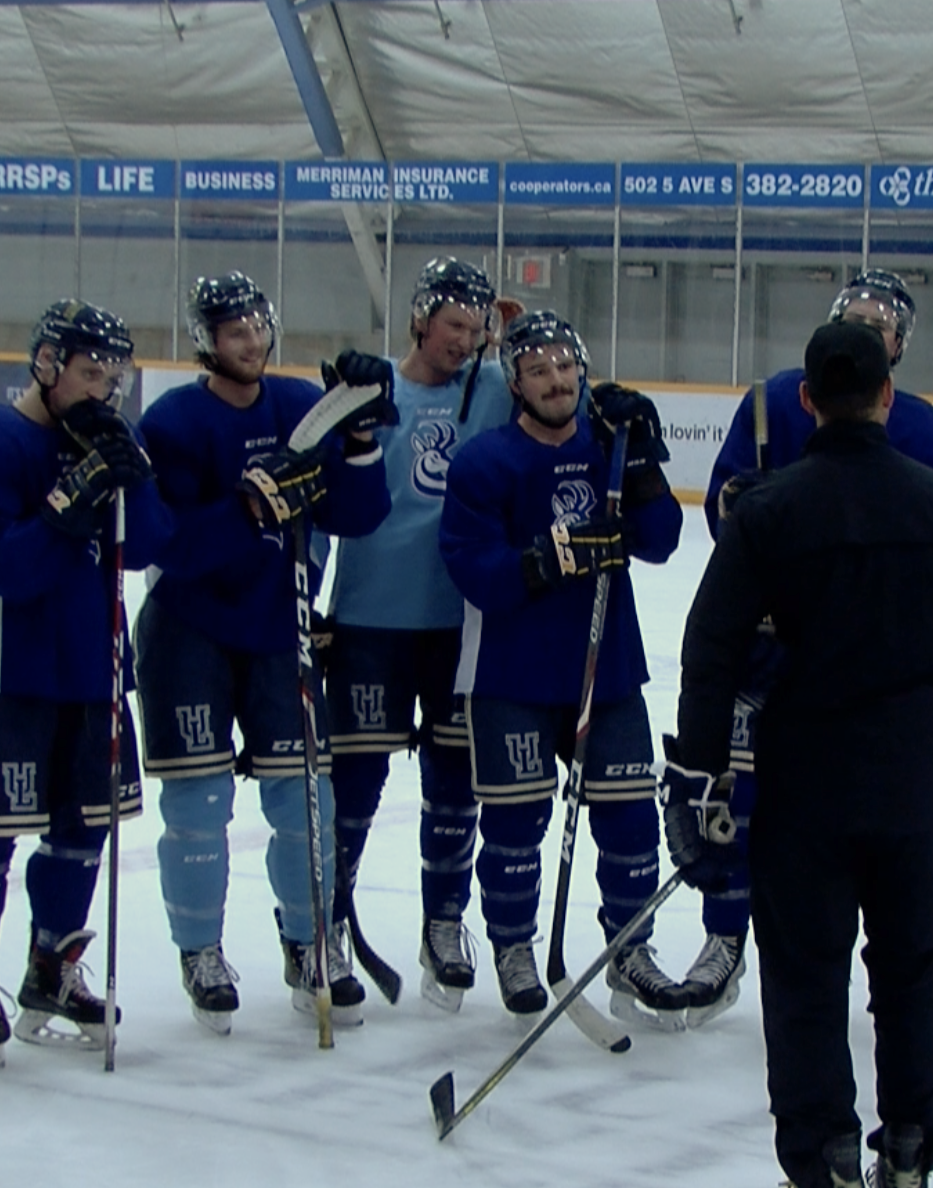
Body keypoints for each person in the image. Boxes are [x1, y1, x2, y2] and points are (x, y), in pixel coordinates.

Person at [668, 320, 933, 1188]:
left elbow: (708, 649)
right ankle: (908, 1156)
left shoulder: (771, 507)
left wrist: (698, 773)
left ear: (805, 401)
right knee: (912, 974)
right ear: (885, 394)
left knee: (805, 981)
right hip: (916, 781)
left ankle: (827, 1174)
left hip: (807, 779)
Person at [678, 269, 933, 1024]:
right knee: (738, 793)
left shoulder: (924, 429)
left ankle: (880, 960)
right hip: (766, 645)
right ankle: (724, 938)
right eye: (854, 316)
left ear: (901, 346)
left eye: (882, 322)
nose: (867, 329)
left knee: (852, 810)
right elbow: (728, 503)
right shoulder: (771, 400)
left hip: (862, 660)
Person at [136, 272, 392, 1033]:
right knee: (198, 806)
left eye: (257, 327)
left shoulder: (294, 406)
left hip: (282, 628)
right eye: (232, 331)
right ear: (205, 342)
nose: (250, 342)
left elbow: (359, 515)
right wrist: (247, 505)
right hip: (190, 634)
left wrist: (357, 431)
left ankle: (308, 942)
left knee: (305, 802)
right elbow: (169, 545)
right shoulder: (174, 420)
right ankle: (200, 951)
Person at [0, 301, 169, 1058]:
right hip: (3, 665)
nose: (103, 389)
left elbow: (150, 547)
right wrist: (79, 494)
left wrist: (128, 481)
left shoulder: (112, 436)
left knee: (85, 825)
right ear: (45, 364)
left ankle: (54, 966)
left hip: (93, 663)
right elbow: (11, 568)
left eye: (113, 376)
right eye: (88, 372)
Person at [438, 312, 685, 1023]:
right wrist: (552, 556)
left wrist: (639, 466)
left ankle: (631, 951)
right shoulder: (486, 460)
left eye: (566, 366)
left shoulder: (612, 445)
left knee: (633, 823)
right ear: (515, 382)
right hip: (511, 677)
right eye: (539, 369)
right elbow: (474, 569)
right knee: (515, 828)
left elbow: (664, 540)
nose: (557, 380)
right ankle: (514, 946)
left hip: (607, 673)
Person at [318, 258, 515, 1012]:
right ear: (419, 320)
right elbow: (315, 484)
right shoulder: (372, 391)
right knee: (356, 787)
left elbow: (566, 392)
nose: (463, 341)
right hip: (371, 619)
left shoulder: (494, 387)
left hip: (460, 622)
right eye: (452, 326)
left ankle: (443, 923)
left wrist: (522, 331)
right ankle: (326, 923)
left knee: (454, 786)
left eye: (476, 328)